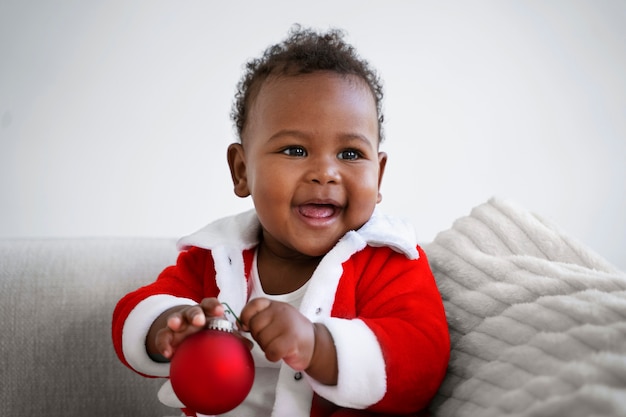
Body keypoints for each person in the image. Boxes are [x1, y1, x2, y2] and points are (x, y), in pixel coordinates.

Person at [112, 25, 450, 417]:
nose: (325, 172)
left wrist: (318, 346)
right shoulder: (216, 257)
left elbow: (421, 358)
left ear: (379, 176)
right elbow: (134, 310)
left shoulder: (388, 261)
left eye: (351, 154)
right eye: (295, 149)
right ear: (241, 171)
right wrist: (169, 326)